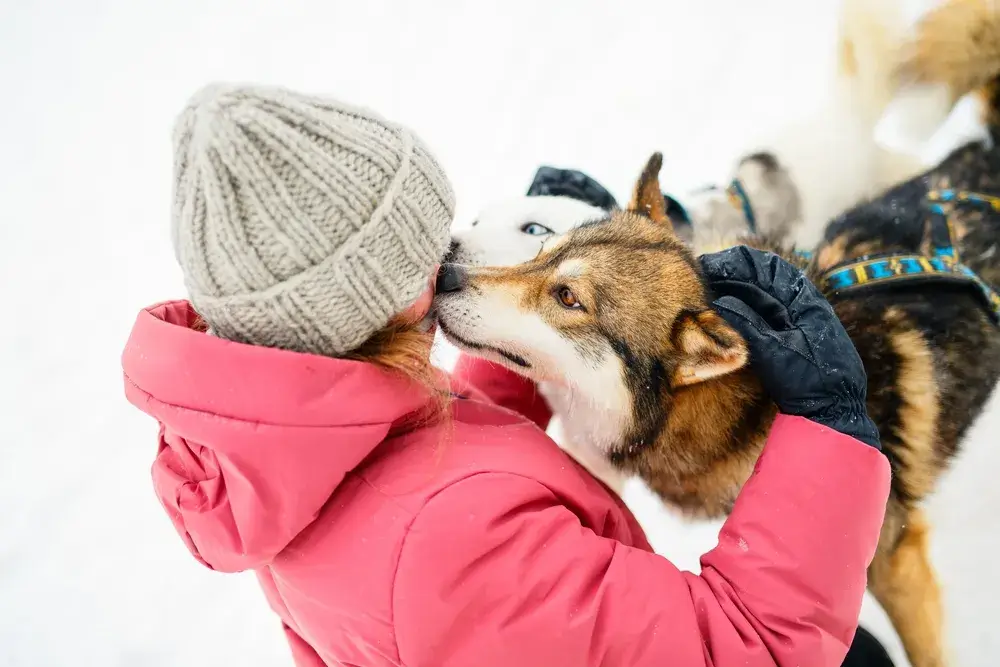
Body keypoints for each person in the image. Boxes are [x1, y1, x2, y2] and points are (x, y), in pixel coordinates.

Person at [122, 83, 891, 667]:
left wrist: (536, 337)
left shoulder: (277, 450)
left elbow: (426, 448)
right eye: (426, 249)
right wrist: (826, 423)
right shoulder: (454, 549)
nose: (456, 255)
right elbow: (748, 646)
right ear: (354, 304)